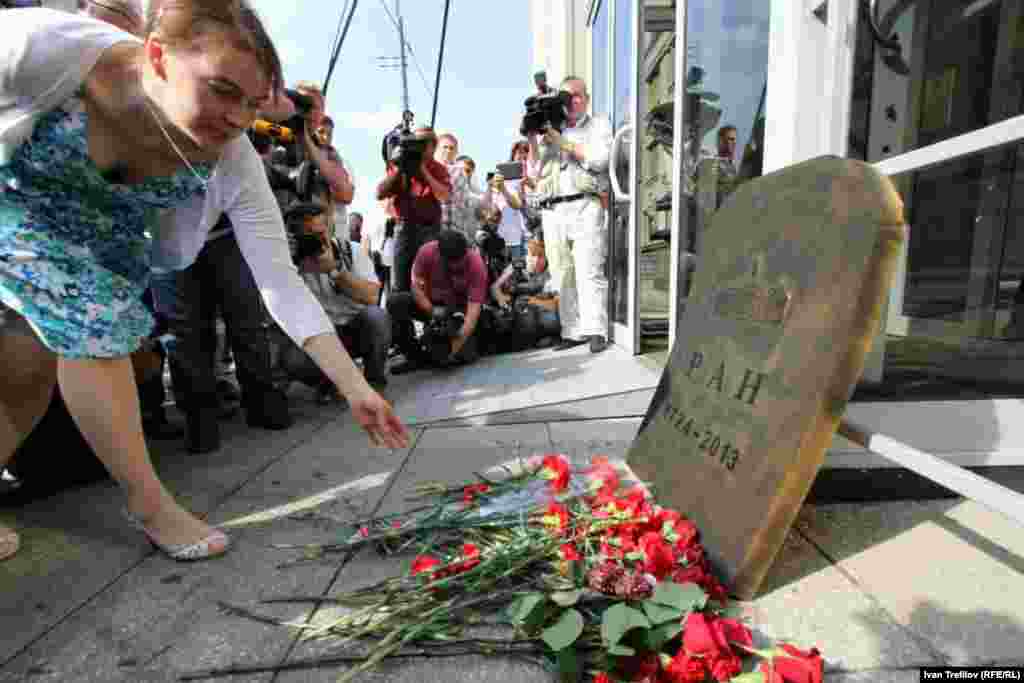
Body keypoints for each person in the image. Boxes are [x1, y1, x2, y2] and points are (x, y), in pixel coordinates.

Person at [0, 3, 407, 564]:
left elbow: (280, 283)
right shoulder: (39, 46)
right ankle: (149, 504)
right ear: (159, 57)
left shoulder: (234, 158)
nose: (235, 118)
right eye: (220, 89)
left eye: (251, 103)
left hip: (100, 249)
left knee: (24, 369)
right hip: (15, 201)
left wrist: (356, 388)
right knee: (92, 323)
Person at [527, 76, 613, 354]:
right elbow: (534, 171)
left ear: (586, 98)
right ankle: (572, 330)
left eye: (577, 95)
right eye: (566, 96)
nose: (572, 100)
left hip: (585, 204)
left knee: (589, 268)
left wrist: (563, 142)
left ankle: (595, 329)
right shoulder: (552, 128)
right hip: (553, 209)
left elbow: (600, 160)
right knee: (562, 272)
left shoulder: (597, 124)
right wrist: (532, 136)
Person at [280, 206, 390, 400]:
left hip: (355, 330)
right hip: (322, 337)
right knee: (292, 359)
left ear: (328, 229)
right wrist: (290, 266)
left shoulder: (351, 251)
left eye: (320, 233)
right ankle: (332, 382)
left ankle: (373, 379)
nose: (315, 241)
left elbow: (372, 297)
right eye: (308, 236)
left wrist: (335, 271)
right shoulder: (288, 265)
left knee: (377, 317)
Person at [387, 230, 488, 374]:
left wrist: (451, 352)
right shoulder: (426, 252)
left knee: (463, 355)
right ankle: (414, 356)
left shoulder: (476, 264)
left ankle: (440, 352)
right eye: (451, 263)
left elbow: (471, 318)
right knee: (395, 302)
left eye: (459, 262)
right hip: (431, 305)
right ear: (440, 254)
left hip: (458, 312)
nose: (456, 267)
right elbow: (415, 287)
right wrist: (431, 310)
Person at [483, 141, 528, 260]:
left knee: (521, 265)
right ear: (513, 154)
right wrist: (492, 186)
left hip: (525, 229)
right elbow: (491, 203)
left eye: (526, 153)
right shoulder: (504, 177)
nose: (522, 156)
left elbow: (521, 204)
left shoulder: (532, 173)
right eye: (519, 153)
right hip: (504, 228)